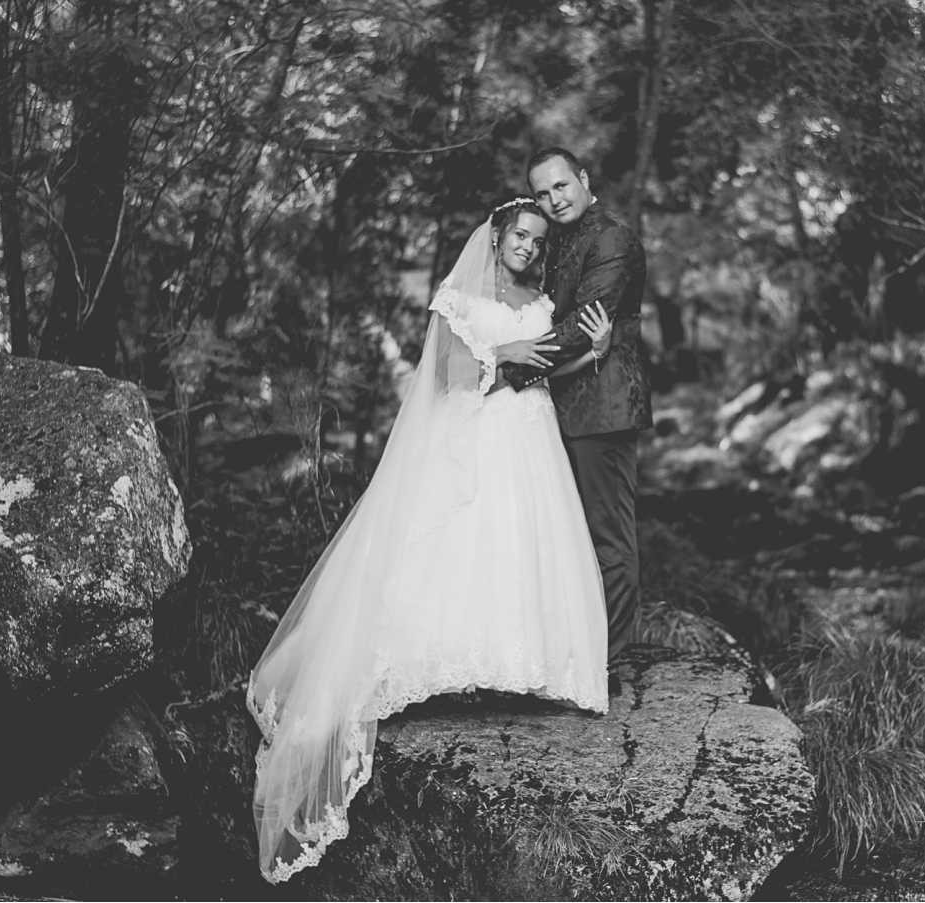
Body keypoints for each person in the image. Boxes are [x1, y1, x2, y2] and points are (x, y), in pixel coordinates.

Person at [245, 198, 615, 884]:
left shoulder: (540, 300)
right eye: (521, 236)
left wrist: (586, 353)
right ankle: (446, 665)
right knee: (463, 544)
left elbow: (542, 373)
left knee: (527, 549)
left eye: (539, 239)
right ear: (497, 236)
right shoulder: (458, 298)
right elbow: (450, 383)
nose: (529, 247)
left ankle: (527, 667)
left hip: (531, 435)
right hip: (474, 437)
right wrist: (499, 352)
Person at [500, 147, 653, 660]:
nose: (552, 199)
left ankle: (607, 660)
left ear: (583, 179)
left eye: (560, 186)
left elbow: (581, 323)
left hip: (602, 405)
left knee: (608, 536)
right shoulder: (560, 238)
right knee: (568, 533)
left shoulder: (611, 236)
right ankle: (572, 651)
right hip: (560, 401)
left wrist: (508, 368)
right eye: (542, 193)